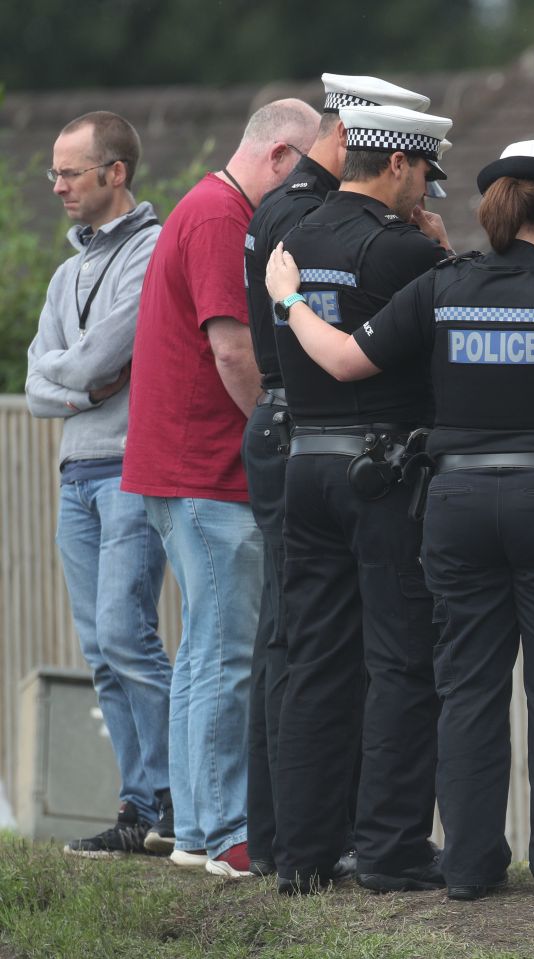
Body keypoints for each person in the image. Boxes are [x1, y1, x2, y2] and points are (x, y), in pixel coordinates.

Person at [266, 139, 534, 901]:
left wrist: (291, 301)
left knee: (467, 685)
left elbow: (342, 360)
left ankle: (470, 868)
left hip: (455, 507)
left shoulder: (444, 287)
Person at [121, 98, 320, 879]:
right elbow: (233, 350)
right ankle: (227, 824)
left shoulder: (205, 207)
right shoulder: (219, 218)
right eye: (301, 175)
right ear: (277, 158)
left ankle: (199, 827)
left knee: (206, 648)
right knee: (227, 652)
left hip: (185, 467)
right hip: (206, 468)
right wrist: (279, 431)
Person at [241, 75, 431, 878]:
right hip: (381, 469)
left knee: (313, 659)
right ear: (396, 165)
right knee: (397, 659)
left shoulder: (288, 229)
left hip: (304, 460)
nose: (425, 185)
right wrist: (441, 248)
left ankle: (301, 853)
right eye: (423, 169)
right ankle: (389, 848)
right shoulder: (406, 248)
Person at [25, 111, 172, 857]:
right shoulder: (65, 272)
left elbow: (86, 360)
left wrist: (74, 374)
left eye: (70, 173)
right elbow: (41, 374)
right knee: (100, 649)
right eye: (54, 173)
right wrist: (81, 383)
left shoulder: (152, 252)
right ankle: (138, 805)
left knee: (127, 633)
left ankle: (181, 796)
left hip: (128, 467)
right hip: (74, 469)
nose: (56, 187)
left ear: (115, 173)